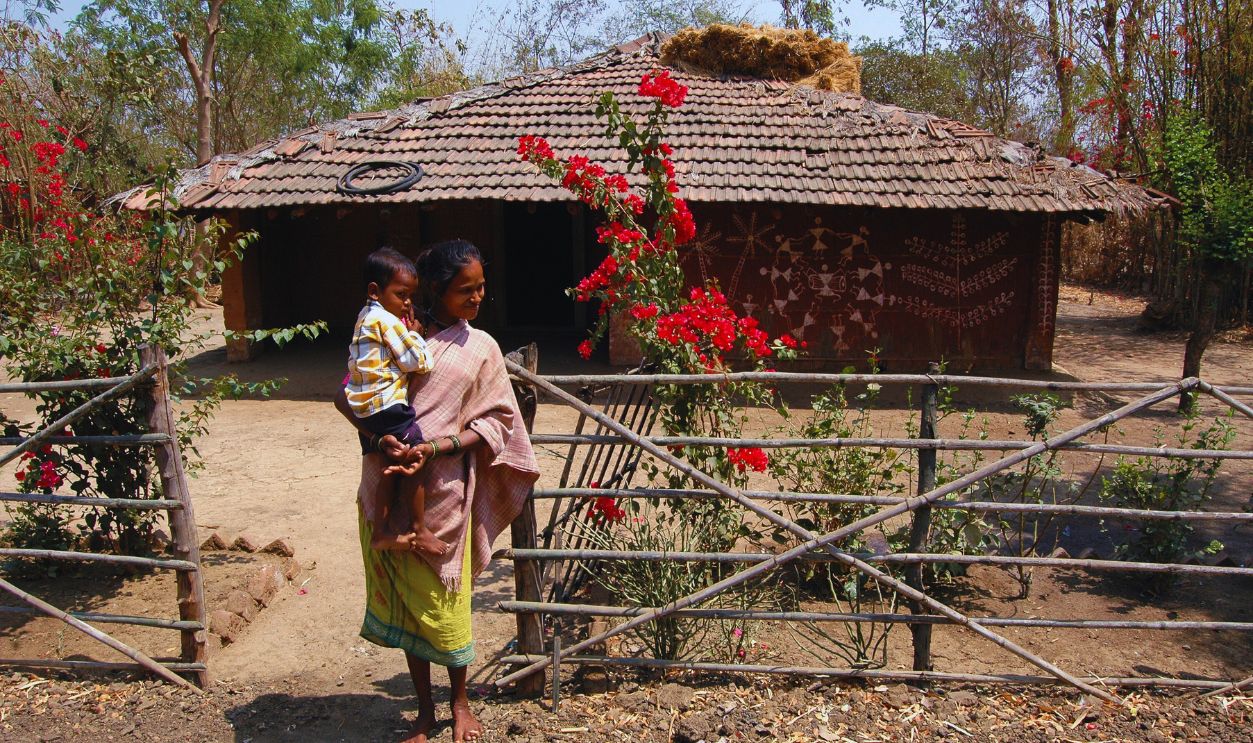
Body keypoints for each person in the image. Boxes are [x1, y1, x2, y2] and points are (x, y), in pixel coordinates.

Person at [335, 239, 539, 743]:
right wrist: (380, 439)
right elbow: (349, 393)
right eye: (465, 290)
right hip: (388, 475)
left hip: (445, 492)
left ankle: (460, 702)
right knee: (412, 607)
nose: (477, 297)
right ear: (435, 289)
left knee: (449, 606)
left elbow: (498, 421)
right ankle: (425, 711)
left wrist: (437, 447)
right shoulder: (395, 329)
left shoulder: (481, 347)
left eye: (481, 287)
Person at [345, 247, 446, 556]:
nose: (407, 303)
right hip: (387, 405)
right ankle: (419, 528)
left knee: (391, 467)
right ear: (374, 292)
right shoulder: (386, 321)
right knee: (415, 457)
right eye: (401, 295)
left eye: (411, 296)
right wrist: (415, 333)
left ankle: (382, 532)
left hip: (366, 409)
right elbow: (419, 362)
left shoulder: (364, 318)